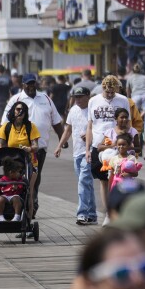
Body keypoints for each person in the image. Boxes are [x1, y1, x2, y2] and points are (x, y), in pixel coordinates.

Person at [4, 73, 64, 213]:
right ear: (22, 85)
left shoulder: (46, 98)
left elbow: (56, 121)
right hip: (15, 149)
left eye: (33, 83)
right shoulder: (16, 100)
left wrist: (62, 140)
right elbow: (5, 124)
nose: (31, 86)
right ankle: (16, 204)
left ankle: (32, 205)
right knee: (16, 176)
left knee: (34, 178)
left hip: (38, 148)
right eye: (28, 84)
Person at [87, 75, 131, 218]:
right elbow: (89, 126)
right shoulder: (93, 101)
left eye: (113, 92)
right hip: (99, 146)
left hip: (118, 146)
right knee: (104, 180)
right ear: (103, 88)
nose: (110, 95)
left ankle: (119, 209)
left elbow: (128, 123)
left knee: (119, 178)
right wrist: (88, 149)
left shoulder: (123, 100)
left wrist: (129, 141)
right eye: (108, 92)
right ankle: (108, 212)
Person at [54, 84, 98, 225]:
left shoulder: (93, 110)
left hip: (89, 151)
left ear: (88, 97)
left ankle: (82, 214)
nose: (77, 100)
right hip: (77, 152)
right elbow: (68, 130)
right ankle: (92, 213)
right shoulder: (73, 110)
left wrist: (91, 135)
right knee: (86, 183)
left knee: (83, 181)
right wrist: (59, 146)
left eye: (80, 97)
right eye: (75, 97)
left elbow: (100, 129)